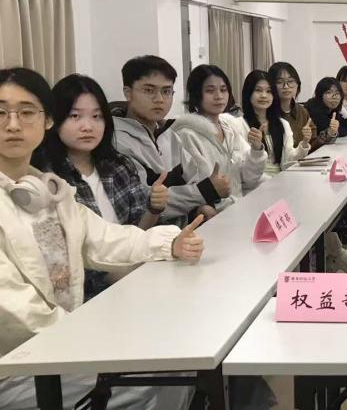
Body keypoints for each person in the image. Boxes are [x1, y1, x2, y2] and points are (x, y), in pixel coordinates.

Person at [0, 67, 204, 409]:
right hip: (19, 365)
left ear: (46, 120)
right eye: (1, 112)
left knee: (180, 357)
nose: (13, 124)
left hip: (63, 347)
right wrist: (86, 337)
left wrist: (168, 243)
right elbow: (14, 308)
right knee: (155, 373)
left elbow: (106, 239)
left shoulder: (51, 193)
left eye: (26, 112)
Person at [35, 75, 172, 299]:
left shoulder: (118, 166)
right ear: (54, 120)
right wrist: (119, 277)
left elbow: (137, 235)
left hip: (138, 281)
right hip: (89, 299)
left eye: (97, 116)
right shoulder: (48, 179)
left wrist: (154, 209)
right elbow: (62, 263)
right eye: (75, 116)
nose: (87, 126)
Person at [114, 56, 223, 223]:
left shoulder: (170, 135)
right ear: (128, 93)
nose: (159, 99)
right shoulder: (117, 142)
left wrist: (200, 207)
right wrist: (204, 191)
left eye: (166, 91)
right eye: (149, 90)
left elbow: (194, 178)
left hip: (187, 230)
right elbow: (143, 203)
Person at [173, 65, 266, 212]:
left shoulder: (229, 127)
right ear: (196, 94)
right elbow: (204, 191)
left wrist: (256, 150)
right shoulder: (188, 135)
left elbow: (248, 179)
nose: (219, 96)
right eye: (210, 91)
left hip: (239, 208)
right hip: (216, 215)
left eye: (223, 90)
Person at [235, 71, 311, 182]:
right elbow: (241, 168)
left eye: (268, 91)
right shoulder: (238, 125)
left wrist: (304, 143)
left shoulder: (282, 124)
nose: (264, 95)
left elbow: (288, 160)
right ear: (248, 93)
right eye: (258, 90)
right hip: (255, 185)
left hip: (281, 181)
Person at [268, 61, 318, 149]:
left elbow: (314, 142)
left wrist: (329, 134)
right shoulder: (266, 112)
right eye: (280, 82)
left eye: (290, 81)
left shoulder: (302, 111)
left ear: (297, 84)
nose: (286, 86)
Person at [304, 78, 343, 146]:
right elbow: (341, 130)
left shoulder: (332, 110)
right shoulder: (313, 109)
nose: (334, 97)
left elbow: (345, 127)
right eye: (329, 92)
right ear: (320, 95)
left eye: (337, 93)